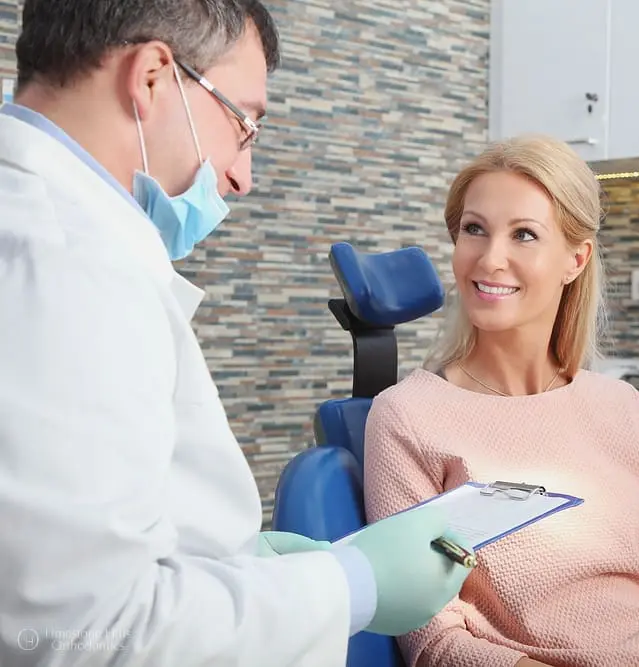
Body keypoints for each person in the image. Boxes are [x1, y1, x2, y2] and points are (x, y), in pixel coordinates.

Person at [0, 1, 471, 665]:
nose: (242, 177)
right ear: (154, 77)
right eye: (244, 123)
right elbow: (79, 633)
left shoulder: (54, 239)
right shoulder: (62, 266)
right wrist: (353, 585)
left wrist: (237, 562)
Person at [363, 134, 639, 667]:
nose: (490, 259)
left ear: (575, 260)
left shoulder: (620, 406)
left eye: (524, 235)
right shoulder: (408, 417)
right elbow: (435, 640)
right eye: (474, 230)